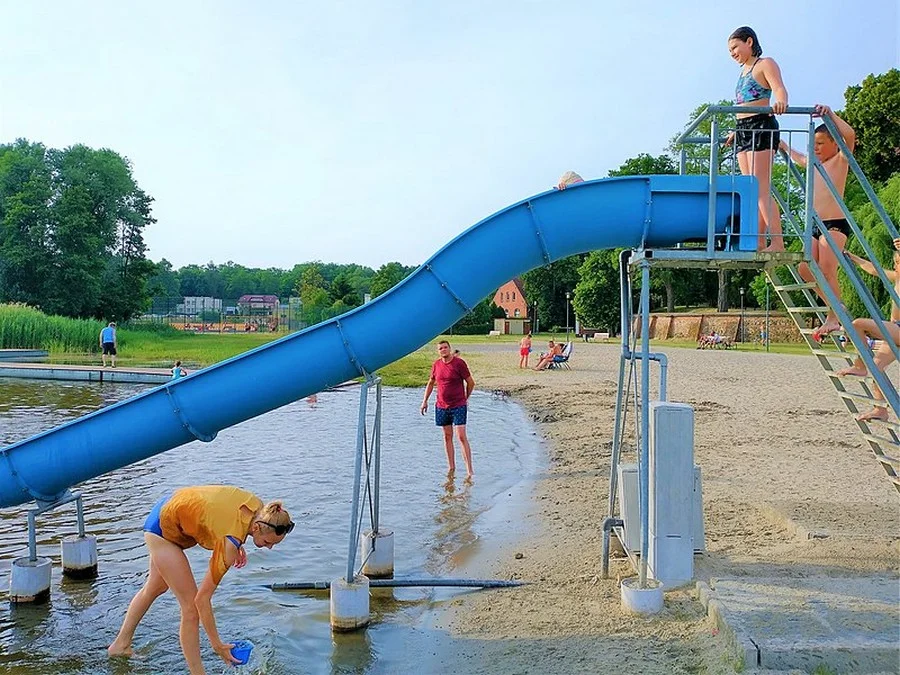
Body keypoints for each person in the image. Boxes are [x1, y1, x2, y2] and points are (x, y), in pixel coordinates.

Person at [108, 485, 294, 674]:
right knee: (191, 608)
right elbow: (202, 599)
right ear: (256, 528)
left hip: (166, 507)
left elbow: (225, 517)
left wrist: (238, 543)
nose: (269, 548)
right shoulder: (230, 542)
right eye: (268, 542)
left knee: (155, 587)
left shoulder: (259, 510)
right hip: (163, 531)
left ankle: (120, 645)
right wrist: (217, 645)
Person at [779, 104, 857, 339]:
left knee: (827, 268)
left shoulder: (841, 159)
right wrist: (783, 145)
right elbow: (800, 158)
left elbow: (850, 134)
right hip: (815, 225)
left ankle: (834, 316)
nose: (816, 149)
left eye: (821, 144)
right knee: (805, 268)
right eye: (813, 145)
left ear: (834, 143)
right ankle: (837, 306)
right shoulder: (815, 164)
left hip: (835, 223)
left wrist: (830, 114)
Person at [724, 26, 789, 252]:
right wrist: (735, 130)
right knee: (750, 189)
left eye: (735, 47)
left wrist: (780, 101)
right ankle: (760, 241)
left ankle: (778, 242)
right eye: (729, 50)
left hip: (761, 126)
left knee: (761, 188)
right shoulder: (743, 71)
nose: (732, 53)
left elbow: (779, 88)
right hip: (742, 129)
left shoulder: (764, 64)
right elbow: (743, 105)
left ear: (749, 42)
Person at [836, 239, 900, 422]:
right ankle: (880, 409)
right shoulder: (896, 278)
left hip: (898, 329)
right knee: (877, 369)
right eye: (895, 263)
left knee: (857, 324)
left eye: (898, 262)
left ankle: (859, 366)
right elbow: (873, 269)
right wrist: (852, 257)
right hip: (894, 330)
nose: (895, 266)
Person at [420, 340, 476, 477]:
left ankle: (469, 470)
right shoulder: (436, 365)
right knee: (447, 436)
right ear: (438, 351)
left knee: (461, 436)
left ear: (449, 349)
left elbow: (470, 383)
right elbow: (431, 382)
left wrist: (465, 398)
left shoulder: (459, 363)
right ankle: (451, 468)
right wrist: (424, 401)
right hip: (441, 406)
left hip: (458, 405)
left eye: (445, 347)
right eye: (440, 348)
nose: (443, 350)